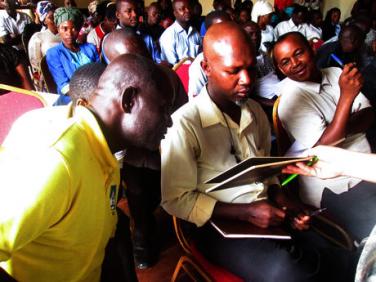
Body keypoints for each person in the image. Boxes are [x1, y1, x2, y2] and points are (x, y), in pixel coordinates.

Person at [161, 21, 348, 282]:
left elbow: (264, 174)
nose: (247, 80)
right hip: (217, 224)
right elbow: (176, 200)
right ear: (207, 68)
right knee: (289, 272)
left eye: (250, 68)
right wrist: (246, 212)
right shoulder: (183, 125)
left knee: (332, 254)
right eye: (233, 71)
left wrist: (284, 203)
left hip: (264, 209)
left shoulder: (255, 112)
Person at [0, 53, 173, 281]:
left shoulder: (99, 144)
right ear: (129, 100)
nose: (169, 121)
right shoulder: (56, 159)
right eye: (162, 109)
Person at [273, 31, 376, 241]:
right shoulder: (290, 101)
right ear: (281, 69)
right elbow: (324, 151)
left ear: (312, 48)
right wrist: (346, 99)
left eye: (299, 53)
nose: (294, 63)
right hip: (334, 183)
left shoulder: (335, 73)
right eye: (285, 62)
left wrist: (335, 128)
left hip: (363, 163)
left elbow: (368, 115)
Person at [102, 28, 187, 269]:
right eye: (129, 59)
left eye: (142, 55)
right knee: (138, 196)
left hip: (169, 149)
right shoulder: (111, 88)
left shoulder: (166, 76)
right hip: (136, 157)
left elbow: (182, 117)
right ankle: (142, 242)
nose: (141, 65)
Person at [46, 7, 99, 104]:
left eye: (73, 28)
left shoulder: (90, 48)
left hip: (96, 96)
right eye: (64, 28)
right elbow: (64, 86)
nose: (69, 33)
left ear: (79, 29)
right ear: (58, 29)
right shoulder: (53, 53)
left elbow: (100, 74)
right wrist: (89, 100)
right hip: (71, 101)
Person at [187, 10, 230, 99]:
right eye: (220, 29)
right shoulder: (200, 65)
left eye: (230, 27)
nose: (227, 32)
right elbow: (195, 101)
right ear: (208, 32)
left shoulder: (235, 55)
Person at [159, 0, 201, 65]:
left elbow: (200, 57)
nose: (187, 11)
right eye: (182, 9)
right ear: (175, 13)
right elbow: (172, 67)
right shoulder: (168, 36)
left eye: (188, 8)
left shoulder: (195, 32)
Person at [28, 1, 60, 75]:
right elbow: (37, 66)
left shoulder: (66, 33)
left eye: (57, 16)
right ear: (44, 21)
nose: (56, 20)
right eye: (51, 18)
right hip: (50, 76)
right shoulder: (38, 38)